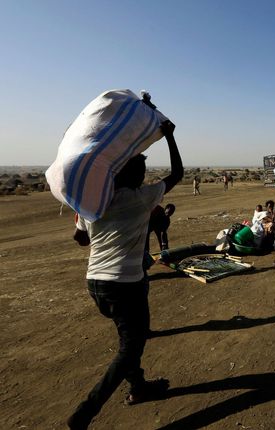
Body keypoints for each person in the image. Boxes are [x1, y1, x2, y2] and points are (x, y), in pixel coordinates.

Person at [68, 120, 183, 430]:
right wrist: (170, 136)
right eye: (141, 171)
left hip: (96, 283)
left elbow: (80, 240)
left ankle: (139, 387)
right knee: (130, 346)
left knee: (127, 337)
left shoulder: (94, 203)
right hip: (125, 285)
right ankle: (86, 411)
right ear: (137, 176)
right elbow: (178, 174)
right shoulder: (141, 197)